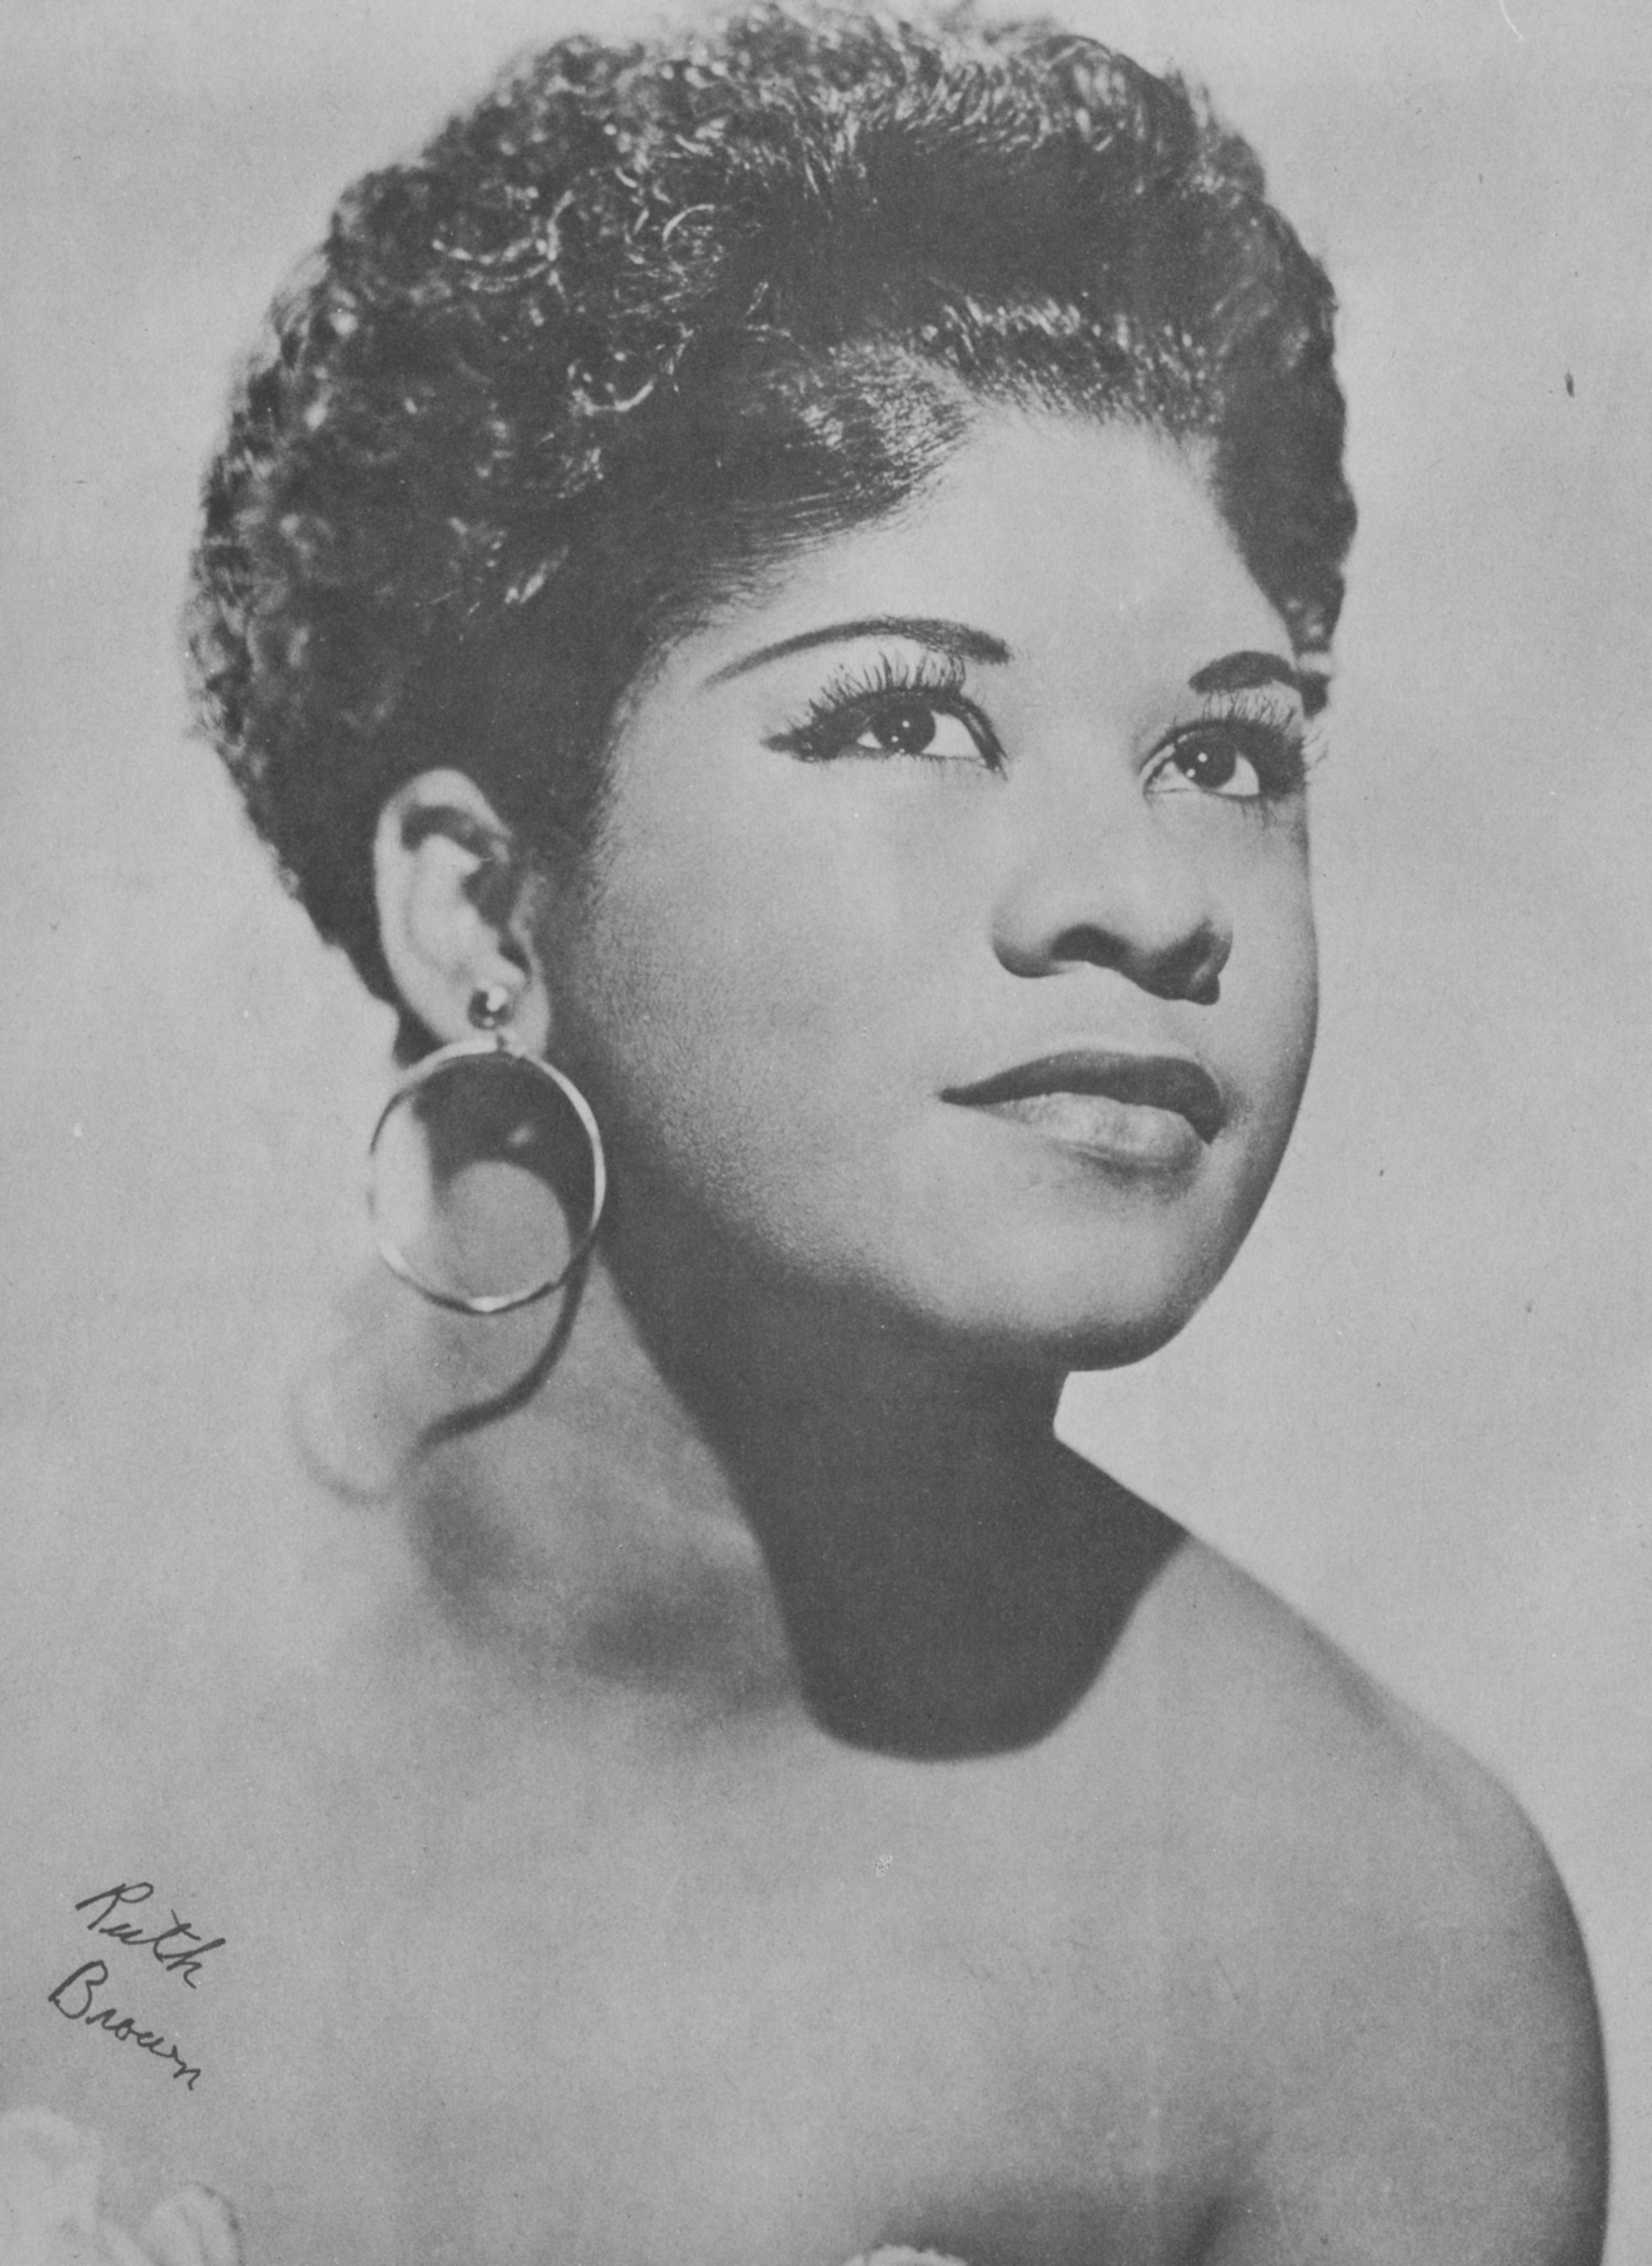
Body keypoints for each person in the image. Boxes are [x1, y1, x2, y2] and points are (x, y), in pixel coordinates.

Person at [0, 6, 1608, 2262]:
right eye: (910, 718)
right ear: (476, 908)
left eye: (1228, 756)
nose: (1147, 894)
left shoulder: (1366, 1954)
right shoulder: (47, 1606)